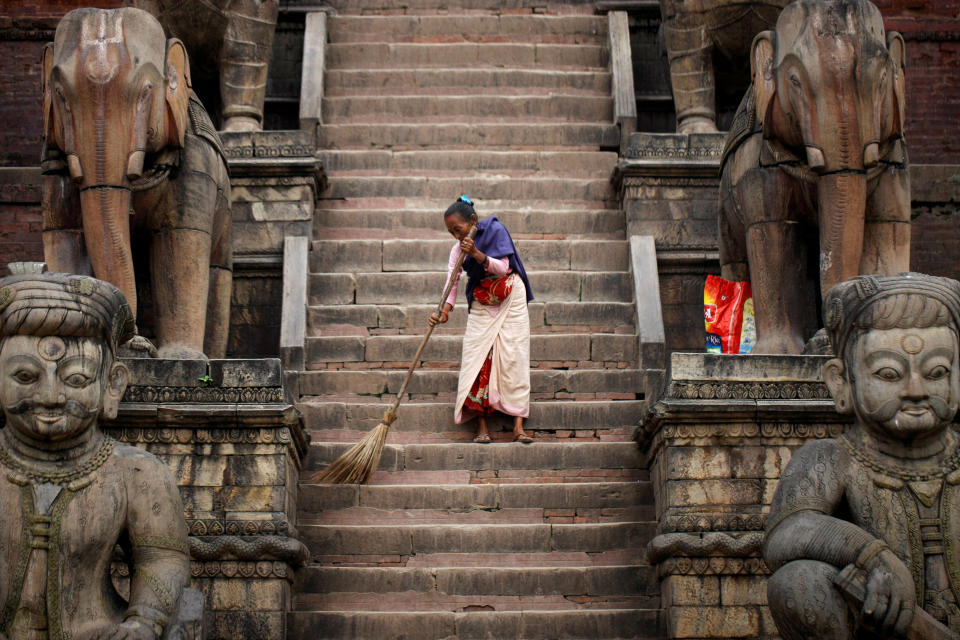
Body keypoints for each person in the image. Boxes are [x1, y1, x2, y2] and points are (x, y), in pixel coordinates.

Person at [764, 273, 960, 639]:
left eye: (937, 372)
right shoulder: (832, 458)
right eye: (889, 373)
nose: (916, 390)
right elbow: (787, 532)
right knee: (798, 581)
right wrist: (873, 556)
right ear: (842, 382)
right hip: (879, 627)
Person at [0, 273, 191, 640]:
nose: (51, 397)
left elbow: (161, 558)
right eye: (25, 376)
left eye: (76, 379)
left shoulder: (136, 473)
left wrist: (145, 620)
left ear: (112, 385)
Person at [428, 196, 535, 444]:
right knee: (476, 358)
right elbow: (451, 283)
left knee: (515, 356)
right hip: (481, 299)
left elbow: (501, 267)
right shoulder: (457, 251)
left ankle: (518, 426)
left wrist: (476, 253)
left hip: (510, 295)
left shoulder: (495, 230)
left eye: (458, 229)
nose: (455, 236)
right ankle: (481, 426)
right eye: (451, 232)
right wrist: (443, 311)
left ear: (473, 221)